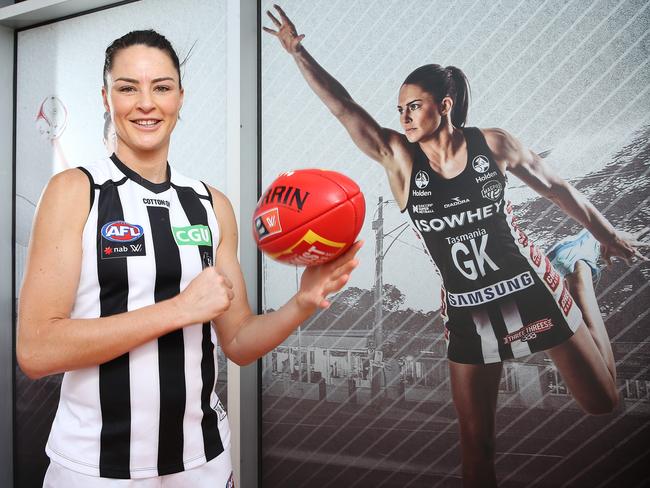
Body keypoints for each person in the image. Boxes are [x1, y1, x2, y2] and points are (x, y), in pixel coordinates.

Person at [264, 6, 647, 488]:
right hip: (468, 309)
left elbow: (556, 188)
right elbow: (345, 109)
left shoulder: (494, 144)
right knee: (476, 446)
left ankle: (578, 275)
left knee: (603, 403)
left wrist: (607, 236)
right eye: (399, 108)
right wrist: (299, 52)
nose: (402, 116)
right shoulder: (400, 161)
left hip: (530, 287)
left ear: (444, 105)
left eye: (414, 106)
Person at [17, 29, 361, 487]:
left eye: (161, 87)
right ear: (106, 97)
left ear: (180, 97)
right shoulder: (76, 192)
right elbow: (37, 350)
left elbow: (237, 342)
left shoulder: (210, 204)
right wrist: (179, 309)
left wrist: (302, 302)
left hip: (203, 462)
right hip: (96, 468)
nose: (146, 103)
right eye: (127, 88)